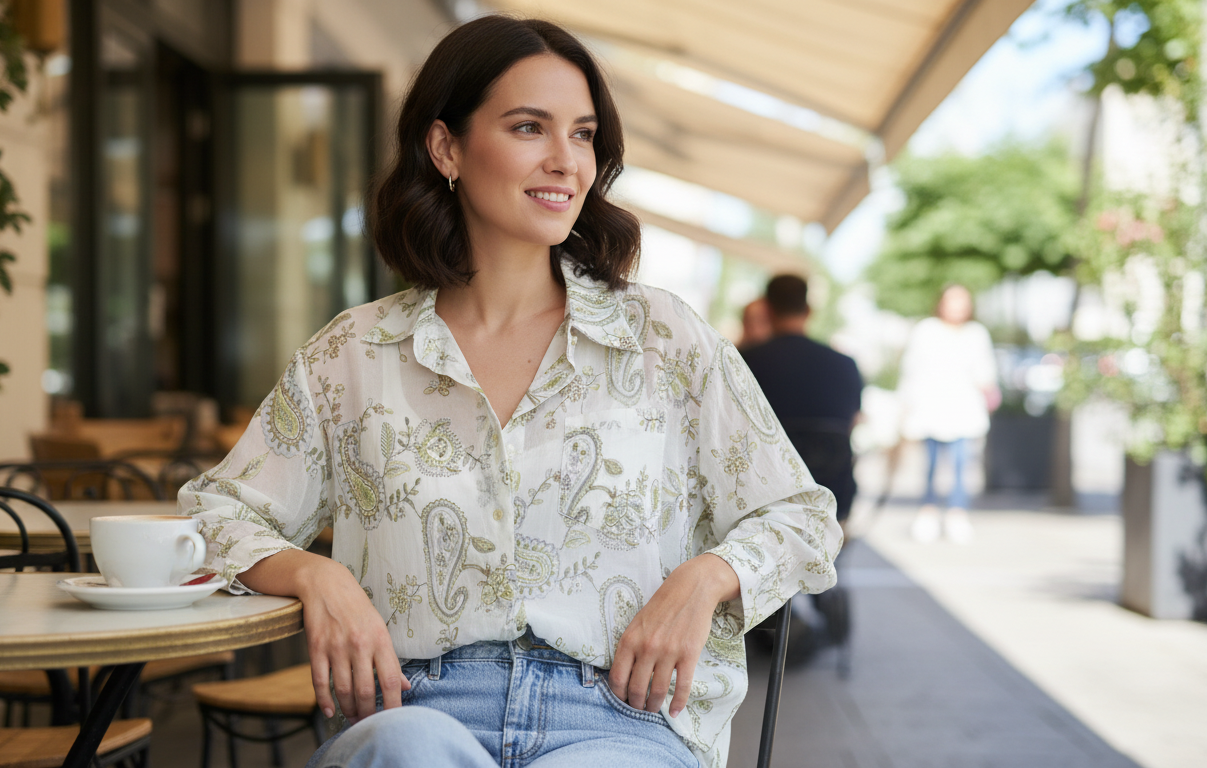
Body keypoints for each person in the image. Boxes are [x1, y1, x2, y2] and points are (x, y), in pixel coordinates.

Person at [182, 16, 841, 768]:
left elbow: (803, 516)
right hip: (417, 706)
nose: (566, 160)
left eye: (583, 134)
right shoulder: (354, 353)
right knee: (402, 752)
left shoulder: (664, 339)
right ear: (446, 148)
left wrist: (707, 576)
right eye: (530, 127)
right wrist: (315, 574)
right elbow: (215, 513)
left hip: (618, 721)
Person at [740, 275, 862, 522]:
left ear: (767, 310)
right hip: (830, 498)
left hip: (763, 501)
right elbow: (852, 423)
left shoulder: (744, 362)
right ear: (808, 310)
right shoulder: (845, 365)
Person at [898, 284, 999, 544]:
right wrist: (906, 405)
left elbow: (985, 371)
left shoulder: (976, 333)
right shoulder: (926, 330)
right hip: (931, 409)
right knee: (930, 466)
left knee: (961, 466)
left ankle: (957, 513)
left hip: (964, 411)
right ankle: (928, 512)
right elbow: (911, 370)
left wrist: (989, 391)